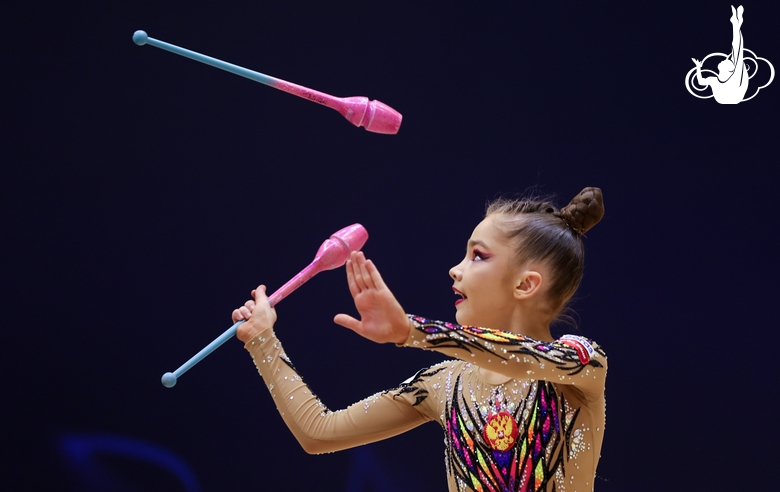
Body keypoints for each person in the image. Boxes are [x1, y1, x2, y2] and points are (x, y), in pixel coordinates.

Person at [233, 187, 607, 492]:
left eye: (477, 256)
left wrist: (413, 331)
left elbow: (526, 358)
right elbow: (319, 433)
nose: (455, 269)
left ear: (526, 284)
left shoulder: (581, 363)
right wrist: (263, 341)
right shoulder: (444, 384)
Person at [692, 5, 748, 104]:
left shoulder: (726, 78)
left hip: (732, 96)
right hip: (732, 97)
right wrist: (698, 67)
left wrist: (698, 68)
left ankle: (736, 24)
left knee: (737, 51)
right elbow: (700, 82)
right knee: (737, 52)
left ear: (729, 69)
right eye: (728, 60)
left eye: (726, 61)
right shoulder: (716, 79)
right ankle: (736, 24)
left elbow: (738, 50)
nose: (724, 59)